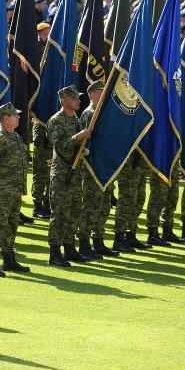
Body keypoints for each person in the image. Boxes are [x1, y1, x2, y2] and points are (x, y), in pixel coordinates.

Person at [0, 103, 30, 277]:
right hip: (2, 191)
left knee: (11, 224)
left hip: (15, 190)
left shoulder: (15, 137)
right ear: (6, 119)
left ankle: (8, 258)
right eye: (15, 115)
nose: (19, 117)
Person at [46, 85, 92, 267]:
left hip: (76, 174)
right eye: (74, 98)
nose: (79, 101)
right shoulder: (55, 121)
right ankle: (55, 252)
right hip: (62, 174)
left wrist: (84, 145)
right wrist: (79, 137)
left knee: (74, 212)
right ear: (64, 101)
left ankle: (69, 247)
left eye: (78, 98)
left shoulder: (76, 120)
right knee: (60, 213)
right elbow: (62, 146)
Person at [78, 80, 119, 258]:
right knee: (91, 207)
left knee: (104, 206)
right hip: (92, 169)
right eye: (101, 92)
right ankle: (84, 243)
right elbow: (86, 143)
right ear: (93, 94)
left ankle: (98, 241)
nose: (105, 95)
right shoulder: (89, 114)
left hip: (105, 167)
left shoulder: (103, 113)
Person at [32, 21, 52, 219]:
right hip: (40, 119)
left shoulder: (52, 49)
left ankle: (48, 201)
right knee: (40, 166)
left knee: (51, 164)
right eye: (43, 31)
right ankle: (38, 202)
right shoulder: (35, 49)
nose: (47, 33)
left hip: (53, 118)